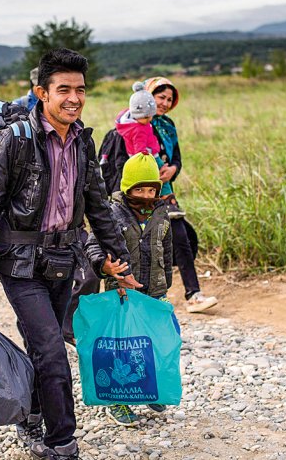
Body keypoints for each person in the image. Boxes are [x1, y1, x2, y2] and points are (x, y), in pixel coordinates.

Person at [0, 49, 137, 460]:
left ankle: (31, 412)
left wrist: (117, 260)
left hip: (64, 261)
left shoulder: (82, 143)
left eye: (80, 90)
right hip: (19, 265)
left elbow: (98, 207)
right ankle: (61, 442)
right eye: (63, 90)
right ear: (42, 93)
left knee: (43, 344)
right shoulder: (13, 140)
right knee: (53, 350)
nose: (73, 98)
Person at [84, 152, 174, 425]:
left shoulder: (161, 213)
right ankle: (117, 400)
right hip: (120, 294)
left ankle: (146, 389)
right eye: (139, 189)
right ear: (127, 188)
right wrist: (105, 266)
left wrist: (165, 284)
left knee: (150, 343)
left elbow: (166, 250)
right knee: (120, 347)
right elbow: (92, 245)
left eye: (151, 189)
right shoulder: (111, 214)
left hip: (153, 293)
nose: (146, 195)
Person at [145, 77, 218, 313]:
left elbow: (176, 157)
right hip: (141, 194)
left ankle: (193, 295)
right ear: (148, 95)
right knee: (141, 245)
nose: (165, 103)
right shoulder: (134, 122)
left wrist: (173, 169)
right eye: (160, 97)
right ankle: (142, 298)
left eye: (169, 99)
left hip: (166, 192)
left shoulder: (168, 125)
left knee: (182, 238)